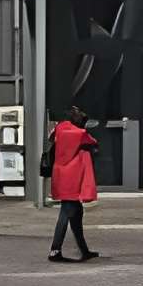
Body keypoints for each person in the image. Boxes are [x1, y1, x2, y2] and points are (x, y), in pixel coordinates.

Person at [45, 105, 100, 263]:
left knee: (76, 213)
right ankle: (55, 251)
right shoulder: (80, 134)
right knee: (66, 213)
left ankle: (84, 250)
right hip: (73, 177)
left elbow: (52, 139)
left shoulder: (60, 129)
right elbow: (93, 142)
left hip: (61, 175)